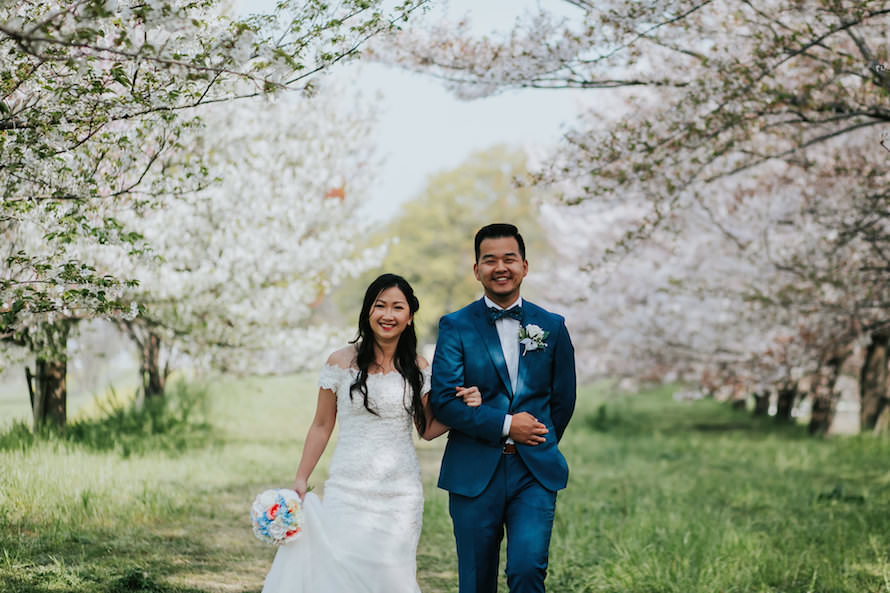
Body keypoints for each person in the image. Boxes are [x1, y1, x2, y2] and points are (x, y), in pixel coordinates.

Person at [261, 273, 481, 593]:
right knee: (341, 569)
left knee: (392, 576)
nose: (387, 315)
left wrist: (465, 409)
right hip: (347, 489)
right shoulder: (340, 362)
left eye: (397, 307)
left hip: (399, 495)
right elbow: (322, 426)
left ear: (409, 317)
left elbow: (429, 429)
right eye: (380, 306)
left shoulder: (418, 368)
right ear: (368, 312)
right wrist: (300, 478)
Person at [430, 223, 576, 593]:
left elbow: (563, 400)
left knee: (527, 571)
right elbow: (445, 401)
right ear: (476, 269)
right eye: (489, 260)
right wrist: (509, 425)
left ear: (525, 266)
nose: (500, 267)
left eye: (509, 259)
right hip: (474, 471)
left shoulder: (552, 326)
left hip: (534, 471)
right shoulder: (455, 326)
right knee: (477, 581)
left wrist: (537, 436)